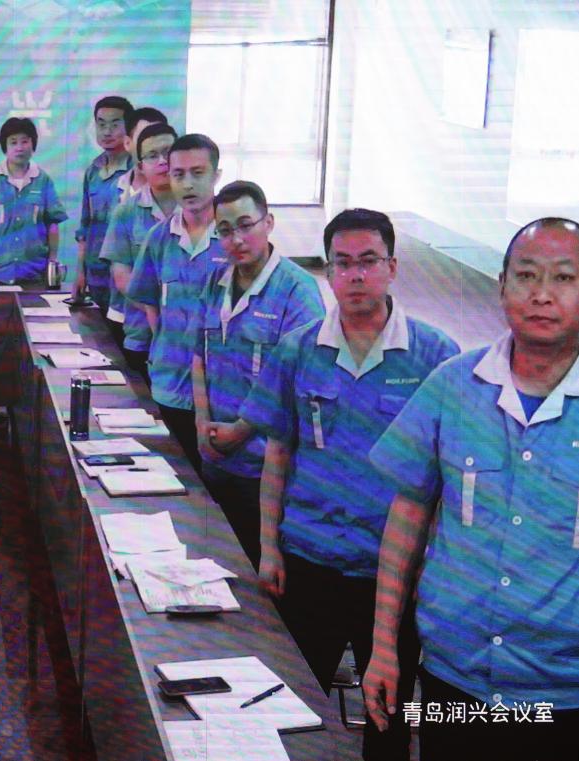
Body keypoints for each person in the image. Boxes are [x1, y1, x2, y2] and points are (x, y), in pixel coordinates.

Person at [239, 208, 460, 761]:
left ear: (392, 267)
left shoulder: (436, 357)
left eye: (368, 261)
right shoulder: (298, 348)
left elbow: (447, 479)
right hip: (307, 560)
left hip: (392, 576)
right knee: (288, 708)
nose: (355, 275)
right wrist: (268, 547)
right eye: (342, 263)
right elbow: (278, 453)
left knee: (388, 718)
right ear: (328, 271)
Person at [364, 217, 579, 761]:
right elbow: (407, 518)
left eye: (564, 278)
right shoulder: (453, 386)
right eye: (526, 275)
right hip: (452, 681)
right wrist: (384, 645)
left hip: (563, 697)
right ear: (501, 285)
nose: (542, 294)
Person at [190, 180, 325, 570]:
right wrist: (202, 422)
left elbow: (295, 385)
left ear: (269, 222)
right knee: (213, 563)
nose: (236, 239)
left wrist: (239, 431)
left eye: (246, 225)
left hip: (265, 468)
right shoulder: (214, 282)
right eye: (225, 230)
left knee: (256, 577)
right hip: (215, 454)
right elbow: (199, 355)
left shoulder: (298, 292)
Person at [126, 133, 230, 473]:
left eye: (198, 173)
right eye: (178, 174)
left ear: (216, 175)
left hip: (220, 394)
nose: (187, 184)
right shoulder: (159, 238)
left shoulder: (232, 240)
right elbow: (149, 302)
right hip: (169, 386)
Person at [100, 122, 178, 379]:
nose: (162, 161)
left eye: (168, 153)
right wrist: (157, 314)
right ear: (140, 166)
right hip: (142, 334)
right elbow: (122, 277)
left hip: (191, 339)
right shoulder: (126, 212)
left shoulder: (197, 210)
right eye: (152, 155)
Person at [0, 117, 68, 286]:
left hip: (34, 273)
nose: (19, 147)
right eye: (13, 142)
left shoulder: (43, 180)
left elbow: (53, 225)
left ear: (33, 145)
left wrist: (52, 263)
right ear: (5, 147)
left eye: (24, 141)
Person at [71, 95, 134, 311]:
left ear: (128, 128)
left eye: (115, 124)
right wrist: (80, 272)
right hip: (95, 274)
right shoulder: (93, 171)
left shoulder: (136, 170)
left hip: (126, 275)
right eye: (101, 124)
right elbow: (85, 226)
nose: (107, 132)